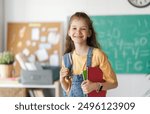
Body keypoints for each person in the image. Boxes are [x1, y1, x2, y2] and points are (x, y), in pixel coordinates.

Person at [60, 12, 118, 97]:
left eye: (83, 29)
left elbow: (114, 83)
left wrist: (95, 86)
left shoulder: (98, 55)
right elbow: (68, 91)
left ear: (89, 33)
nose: (78, 32)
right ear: (69, 32)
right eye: (74, 28)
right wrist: (62, 80)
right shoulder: (66, 59)